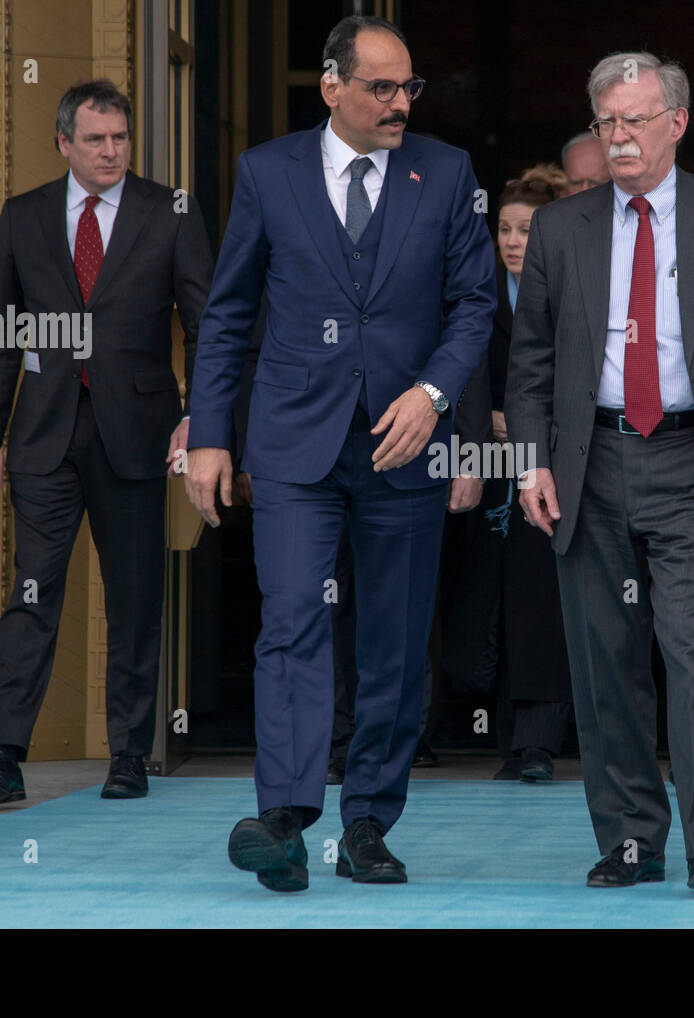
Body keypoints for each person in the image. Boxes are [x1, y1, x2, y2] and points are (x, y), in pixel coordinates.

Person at [185, 14, 495, 892]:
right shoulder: (267, 172)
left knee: (393, 640)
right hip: (294, 442)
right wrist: (208, 433)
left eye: (409, 88)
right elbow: (228, 312)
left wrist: (433, 396)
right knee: (292, 620)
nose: (401, 103)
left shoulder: (447, 173)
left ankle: (367, 823)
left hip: (405, 443)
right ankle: (283, 817)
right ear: (332, 86)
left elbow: (475, 302)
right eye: (381, 87)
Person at [507, 51, 694, 892]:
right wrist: (530, 463)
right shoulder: (562, 227)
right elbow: (530, 362)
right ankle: (630, 843)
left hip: (693, 460)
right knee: (604, 666)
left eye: (634, 121)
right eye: (606, 121)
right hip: (590, 462)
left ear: (675, 123)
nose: (618, 138)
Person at [0, 80, 212, 805]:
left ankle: (128, 754)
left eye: (120, 138)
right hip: (43, 436)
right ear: (64, 143)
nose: (111, 151)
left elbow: (206, 323)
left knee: (133, 598)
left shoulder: (171, 211)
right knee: (33, 593)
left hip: (136, 434)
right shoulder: (24, 215)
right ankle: (3, 756)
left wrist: (201, 416)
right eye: (96, 139)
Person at [469, 165, 576, 781]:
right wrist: (482, 418)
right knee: (486, 595)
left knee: (540, 596)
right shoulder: (476, 291)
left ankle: (537, 742)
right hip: (482, 462)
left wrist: (533, 422)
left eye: (526, 230)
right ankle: (491, 731)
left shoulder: (569, 288)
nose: (512, 242)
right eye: (504, 229)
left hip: (549, 461)